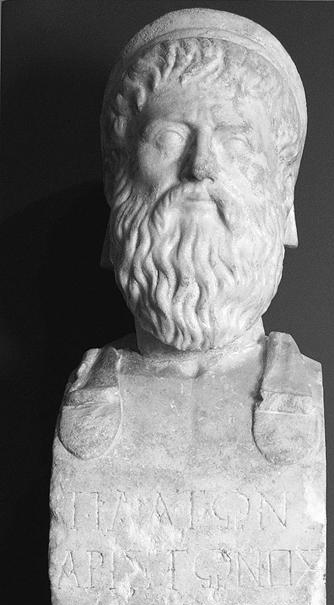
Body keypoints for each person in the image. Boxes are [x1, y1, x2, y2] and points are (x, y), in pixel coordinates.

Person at [58, 9, 320, 465]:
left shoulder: (302, 390)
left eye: (235, 144)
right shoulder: (87, 392)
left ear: (282, 190)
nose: (200, 168)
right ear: (118, 176)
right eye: (170, 138)